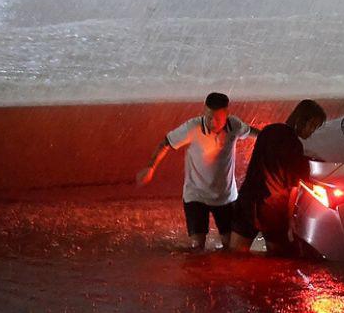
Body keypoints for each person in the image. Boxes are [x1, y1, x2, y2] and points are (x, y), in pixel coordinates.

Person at [136, 92, 260, 251]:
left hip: (226, 196)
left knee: (230, 246)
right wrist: (151, 167)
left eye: (217, 118)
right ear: (204, 111)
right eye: (208, 117)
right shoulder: (192, 127)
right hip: (196, 195)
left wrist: (271, 137)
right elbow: (166, 143)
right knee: (197, 247)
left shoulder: (234, 125)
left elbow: (253, 133)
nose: (212, 122)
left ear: (227, 115)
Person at [230, 99, 327, 256]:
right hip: (272, 210)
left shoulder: (269, 131)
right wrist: (290, 221)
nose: (312, 131)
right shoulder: (295, 146)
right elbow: (293, 188)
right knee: (279, 259)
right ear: (303, 120)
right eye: (313, 125)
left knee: (234, 255)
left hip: (247, 202)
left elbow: (255, 166)